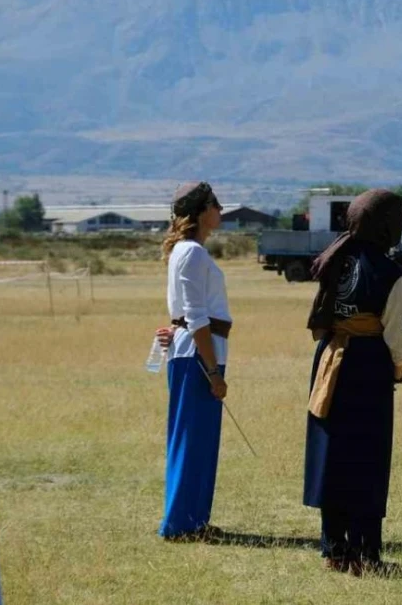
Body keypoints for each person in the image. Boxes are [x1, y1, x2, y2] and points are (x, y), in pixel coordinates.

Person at [304, 189, 402, 574]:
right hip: (367, 365)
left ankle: (334, 549)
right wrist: (398, 369)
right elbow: (396, 335)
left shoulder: (336, 258)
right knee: (367, 461)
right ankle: (366, 556)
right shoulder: (390, 272)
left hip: (331, 361)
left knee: (334, 459)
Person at [156, 181, 232, 541]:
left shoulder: (188, 252)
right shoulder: (192, 254)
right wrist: (213, 370)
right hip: (198, 357)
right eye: (216, 204)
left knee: (200, 441)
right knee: (191, 440)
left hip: (196, 353)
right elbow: (196, 317)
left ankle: (194, 520)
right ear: (202, 211)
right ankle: (181, 523)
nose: (220, 210)